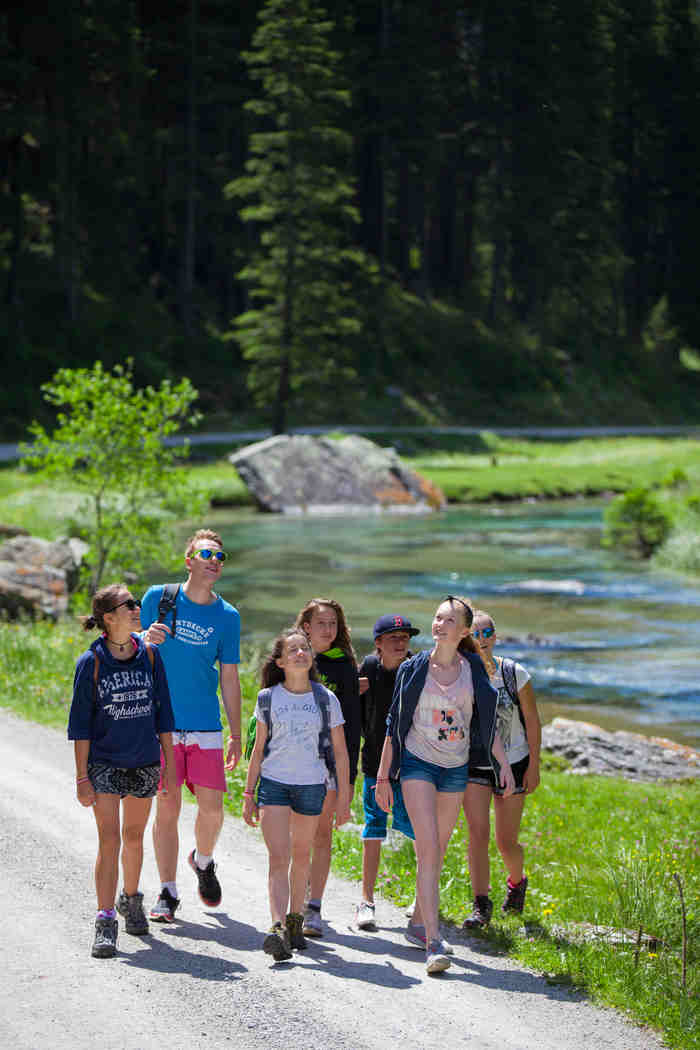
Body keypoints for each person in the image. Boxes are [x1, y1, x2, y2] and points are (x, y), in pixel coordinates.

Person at [375, 596, 515, 975]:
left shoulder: (474, 671)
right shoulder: (414, 667)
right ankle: (433, 942)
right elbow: (394, 723)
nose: (440, 624)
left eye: (449, 620)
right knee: (429, 848)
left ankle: (417, 925)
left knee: (439, 848)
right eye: (438, 618)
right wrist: (384, 776)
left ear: (464, 630)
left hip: (455, 768)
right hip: (418, 763)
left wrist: (502, 763)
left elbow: (486, 723)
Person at [68, 584, 176, 958]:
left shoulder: (150, 655)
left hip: (144, 760)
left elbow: (164, 715)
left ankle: (131, 898)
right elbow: (79, 726)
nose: (136, 608)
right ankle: (105, 919)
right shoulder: (92, 662)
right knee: (109, 839)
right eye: (128, 604)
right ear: (109, 617)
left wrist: (169, 766)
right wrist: (82, 777)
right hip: (104, 763)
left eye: (135, 603)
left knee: (133, 836)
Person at [140, 528, 242, 922]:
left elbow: (229, 677)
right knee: (167, 807)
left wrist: (236, 733)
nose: (214, 561)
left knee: (213, 811)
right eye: (206, 554)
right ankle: (167, 892)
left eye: (220, 556)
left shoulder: (227, 616)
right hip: (161, 724)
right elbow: (130, 646)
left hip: (205, 726)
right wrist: (143, 636)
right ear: (189, 561)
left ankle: (203, 860)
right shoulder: (158, 598)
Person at [242, 628, 351, 961]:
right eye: (293, 650)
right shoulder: (268, 698)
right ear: (280, 662)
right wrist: (248, 793)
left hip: (312, 785)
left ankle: (294, 921)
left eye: (305, 648)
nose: (301, 653)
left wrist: (344, 798)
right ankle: (276, 927)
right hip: (274, 783)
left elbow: (341, 752)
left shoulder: (326, 699)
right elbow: (258, 750)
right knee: (279, 857)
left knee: (302, 855)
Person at [462, 609, 541, 929]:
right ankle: (481, 905)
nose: (481, 639)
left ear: (494, 636)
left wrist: (534, 766)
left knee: (506, 842)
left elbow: (532, 721)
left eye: (486, 633)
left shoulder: (514, 673)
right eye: (475, 634)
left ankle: (517, 882)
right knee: (477, 834)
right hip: (476, 763)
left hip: (516, 760)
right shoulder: (461, 672)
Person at [295, 597, 360, 938]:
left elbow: (352, 724)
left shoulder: (344, 665)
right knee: (297, 837)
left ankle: (314, 906)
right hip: (290, 762)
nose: (328, 629)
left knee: (322, 834)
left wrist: (348, 779)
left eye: (333, 623)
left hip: (328, 764)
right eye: (321, 623)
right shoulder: (290, 657)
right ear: (306, 627)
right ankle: (293, 899)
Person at [355, 614, 420, 933]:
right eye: (393, 637)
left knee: (420, 831)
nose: (400, 643)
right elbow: (350, 711)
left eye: (405, 637)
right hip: (373, 763)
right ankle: (366, 901)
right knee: (373, 827)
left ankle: (422, 898)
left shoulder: (418, 670)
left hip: (411, 765)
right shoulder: (368, 668)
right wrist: (353, 690)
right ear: (378, 643)